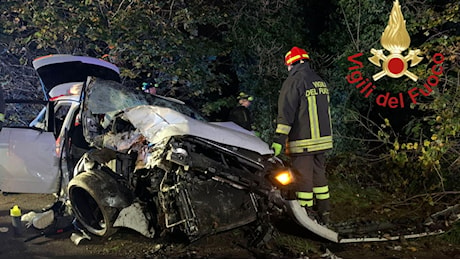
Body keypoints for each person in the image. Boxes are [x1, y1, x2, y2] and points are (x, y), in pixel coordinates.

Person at [271, 46, 333, 225]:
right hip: (323, 142)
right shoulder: (319, 81)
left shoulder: (294, 81)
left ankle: (305, 217)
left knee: (303, 178)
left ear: (291, 63)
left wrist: (279, 140)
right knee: (319, 176)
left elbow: (286, 114)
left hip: (303, 141)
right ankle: (324, 212)